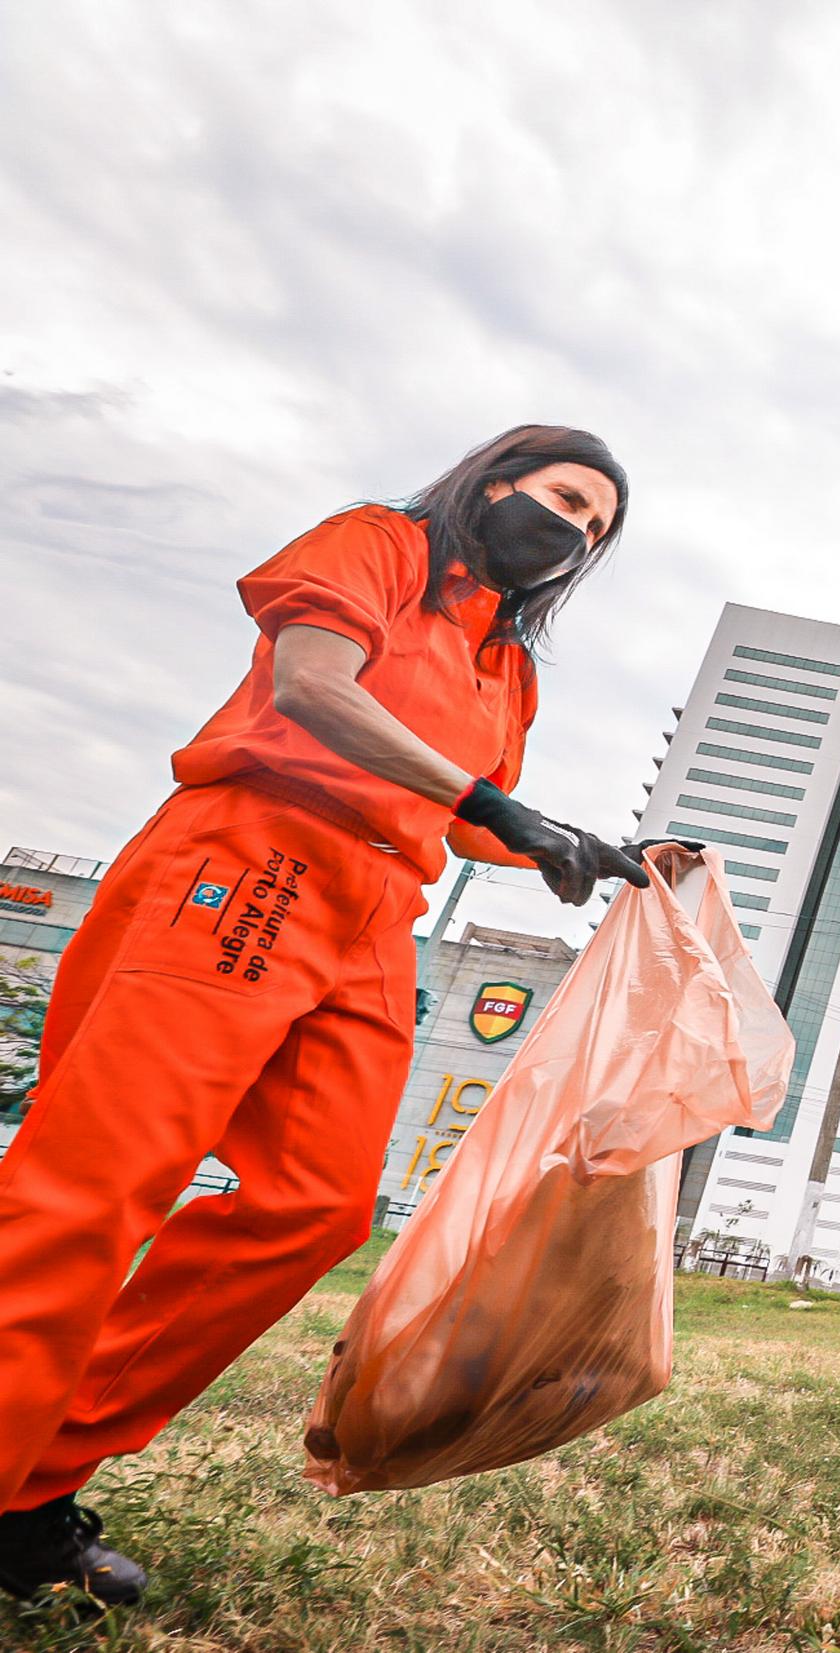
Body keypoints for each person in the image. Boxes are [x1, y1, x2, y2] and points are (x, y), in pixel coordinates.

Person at [0, 427, 674, 1606]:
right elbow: (315, 688)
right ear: (499, 477)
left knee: (313, 1204)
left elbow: (465, 817)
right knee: (95, 1186)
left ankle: (31, 1481)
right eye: (568, 498)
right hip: (256, 853)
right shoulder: (381, 545)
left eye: (599, 530)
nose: (575, 533)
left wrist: (591, 849)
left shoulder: (504, 666)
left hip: (374, 911)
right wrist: (492, 806)